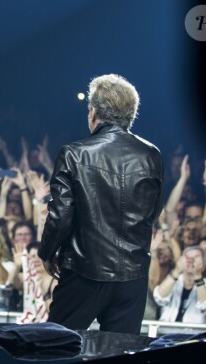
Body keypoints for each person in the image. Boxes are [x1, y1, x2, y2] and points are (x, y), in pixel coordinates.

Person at [38, 74, 164, 335]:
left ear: (93, 112)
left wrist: (47, 252)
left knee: (55, 348)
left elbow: (61, 215)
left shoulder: (74, 153)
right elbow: (152, 213)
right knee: (120, 358)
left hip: (84, 271)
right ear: (130, 115)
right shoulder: (151, 155)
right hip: (133, 275)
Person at [153, 246, 206, 323]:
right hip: (167, 329)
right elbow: (159, 297)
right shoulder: (173, 279)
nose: (190, 260)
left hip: (194, 332)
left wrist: (197, 275)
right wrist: (176, 271)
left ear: (204, 265)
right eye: (187, 256)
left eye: (196, 257)